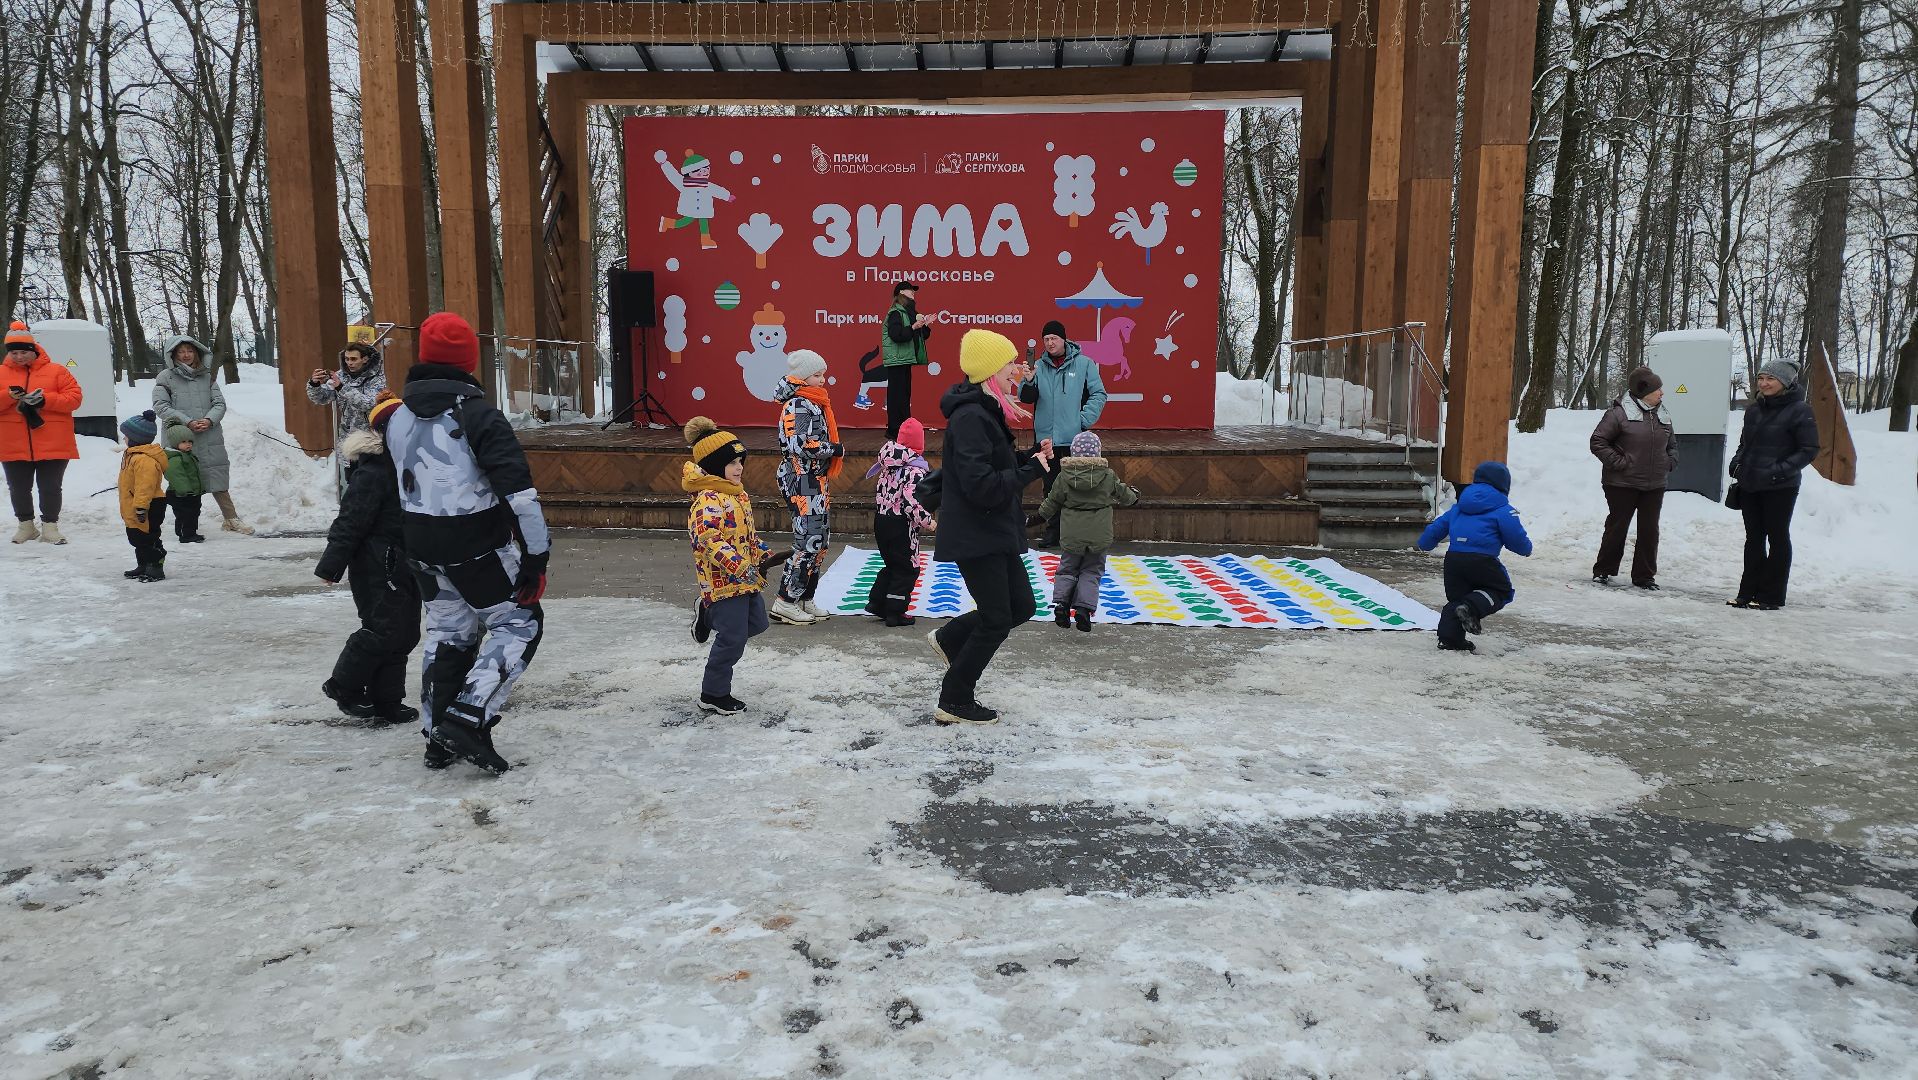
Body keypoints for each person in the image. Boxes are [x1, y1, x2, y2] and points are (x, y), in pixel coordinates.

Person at [385, 312, 549, 775]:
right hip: (475, 544)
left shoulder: (397, 415)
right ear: (469, 361)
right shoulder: (477, 415)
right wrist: (537, 556)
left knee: (447, 633)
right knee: (520, 624)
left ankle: (436, 734)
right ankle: (468, 716)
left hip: (419, 543)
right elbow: (519, 495)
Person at [926, 329, 1054, 725]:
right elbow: (980, 485)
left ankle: (949, 638)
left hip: (992, 530)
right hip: (975, 533)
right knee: (998, 617)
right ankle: (955, 699)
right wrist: (1031, 470)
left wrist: (1027, 456)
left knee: (1021, 606)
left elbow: (990, 463)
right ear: (989, 371)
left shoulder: (985, 410)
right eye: (1009, 363)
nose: (1016, 369)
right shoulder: (970, 417)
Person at [314, 395, 421, 726]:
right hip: (376, 561)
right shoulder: (374, 471)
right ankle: (343, 685)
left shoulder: (410, 465)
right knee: (383, 629)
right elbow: (350, 519)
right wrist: (332, 564)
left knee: (405, 633)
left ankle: (387, 698)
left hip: (405, 561)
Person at [683, 416, 783, 715]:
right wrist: (740, 566)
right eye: (732, 463)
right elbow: (709, 541)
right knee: (732, 640)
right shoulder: (708, 500)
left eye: (741, 461)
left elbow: (746, 537)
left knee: (758, 624)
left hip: (745, 577)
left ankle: (707, 615)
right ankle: (713, 694)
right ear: (715, 466)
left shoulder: (736, 495)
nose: (739, 468)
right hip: (722, 582)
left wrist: (765, 554)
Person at [1728, 358, 1820, 610]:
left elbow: (1809, 450)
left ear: (1785, 382)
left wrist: (1777, 471)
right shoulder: (1754, 410)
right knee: (1753, 539)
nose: (1764, 383)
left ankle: (1771, 596)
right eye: (1761, 378)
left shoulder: (1801, 411)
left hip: (1781, 486)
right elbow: (1744, 444)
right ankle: (1747, 593)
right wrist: (1737, 463)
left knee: (1778, 538)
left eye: (1770, 379)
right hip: (1750, 483)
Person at [1416, 461, 1533, 653]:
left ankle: (1450, 640)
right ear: (1504, 485)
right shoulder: (1503, 509)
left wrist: (1425, 544)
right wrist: (1526, 549)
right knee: (1500, 591)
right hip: (1483, 560)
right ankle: (1470, 608)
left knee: (1456, 600)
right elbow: (1516, 537)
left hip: (1453, 561)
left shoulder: (1459, 507)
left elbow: (1437, 527)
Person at [1036, 430, 1138, 632]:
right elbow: (1124, 494)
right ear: (1098, 453)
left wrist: (1037, 517)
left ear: (1074, 453)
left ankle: (1062, 605)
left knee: (1067, 569)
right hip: (1098, 536)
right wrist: (1135, 497)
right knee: (1091, 571)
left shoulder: (1064, 476)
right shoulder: (1107, 476)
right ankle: (1083, 609)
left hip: (1072, 535)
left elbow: (1052, 502)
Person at [1018, 319, 1108, 548]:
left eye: (1053, 338)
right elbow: (1026, 398)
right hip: (1047, 440)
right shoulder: (1037, 366)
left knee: (1076, 487)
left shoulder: (1085, 364)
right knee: (1050, 488)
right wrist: (1028, 381)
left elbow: (1098, 394)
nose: (1049, 343)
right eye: (1046, 339)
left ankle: (1074, 533)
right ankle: (1053, 532)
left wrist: (1082, 421)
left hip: (1074, 440)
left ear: (1063, 339)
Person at [770, 349, 844, 626]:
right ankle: (785, 600)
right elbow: (799, 444)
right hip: (801, 479)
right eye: (817, 375)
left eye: (823, 374)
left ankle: (803, 596)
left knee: (820, 541)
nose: (823, 379)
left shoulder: (814, 402)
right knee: (809, 541)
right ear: (801, 378)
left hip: (815, 480)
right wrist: (834, 449)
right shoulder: (799, 405)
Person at [1588, 366, 1677, 589]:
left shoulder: (1662, 413)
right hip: (1621, 483)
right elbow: (1598, 441)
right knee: (1617, 527)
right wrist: (1620, 462)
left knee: (1649, 530)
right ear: (1643, 391)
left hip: (1654, 484)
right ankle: (1604, 570)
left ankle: (1644, 576)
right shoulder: (1618, 414)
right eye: (1658, 389)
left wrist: (1670, 461)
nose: (1662, 393)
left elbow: (1672, 445)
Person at [154, 336, 250, 534]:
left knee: (217, 477)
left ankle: (230, 519)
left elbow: (219, 403)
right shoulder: (165, 377)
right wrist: (187, 421)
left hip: (209, 436)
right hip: (179, 437)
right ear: (173, 354)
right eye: (181, 351)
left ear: (197, 352)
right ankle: (185, 526)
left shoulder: (207, 376)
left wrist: (209, 420)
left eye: (190, 350)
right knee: (183, 482)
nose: (186, 355)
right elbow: (161, 406)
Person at [2, 321, 82, 545]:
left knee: (50, 487)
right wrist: (8, 396)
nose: (19, 357)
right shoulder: (1, 373)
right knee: (18, 487)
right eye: (14, 352)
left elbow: (75, 398)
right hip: (12, 441)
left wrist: (46, 399)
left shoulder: (57, 371)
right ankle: (26, 526)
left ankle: (50, 527)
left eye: (23, 352)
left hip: (53, 440)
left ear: (33, 350)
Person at [864, 416, 935, 627]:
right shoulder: (914, 470)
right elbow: (911, 502)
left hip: (882, 520)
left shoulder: (887, 464)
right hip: (900, 525)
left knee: (892, 564)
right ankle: (895, 611)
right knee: (907, 569)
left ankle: (877, 602)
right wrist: (928, 521)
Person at [117, 410, 168, 582]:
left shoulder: (144, 460)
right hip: (136, 504)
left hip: (148, 505)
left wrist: (141, 507)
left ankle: (155, 567)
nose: (124, 439)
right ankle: (143, 565)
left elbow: (144, 487)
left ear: (135, 438)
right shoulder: (133, 455)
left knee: (148, 538)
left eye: (126, 436)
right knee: (138, 537)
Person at [880, 280, 934, 437]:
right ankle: (894, 431)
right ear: (902, 293)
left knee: (904, 395)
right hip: (897, 360)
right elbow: (897, 335)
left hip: (905, 360)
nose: (913, 293)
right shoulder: (896, 313)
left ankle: (904, 429)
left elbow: (923, 335)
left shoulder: (909, 312)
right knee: (897, 396)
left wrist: (924, 325)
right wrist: (914, 327)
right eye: (910, 290)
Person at [307, 342, 387, 443]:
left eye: (353, 359)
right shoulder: (340, 376)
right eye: (347, 359)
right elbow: (322, 398)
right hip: (346, 437)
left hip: (369, 437)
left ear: (365, 359)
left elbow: (369, 403)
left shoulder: (377, 378)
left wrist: (341, 388)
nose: (349, 363)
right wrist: (314, 384)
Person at [162, 424, 207, 544]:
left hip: (192, 493)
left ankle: (191, 533)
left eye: (190, 441)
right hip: (181, 494)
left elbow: (194, 474)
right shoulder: (175, 459)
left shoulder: (188, 456)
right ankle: (184, 534)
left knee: (193, 513)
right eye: (183, 441)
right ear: (175, 443)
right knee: (185, 515)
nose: (188, 444)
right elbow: (176, 476)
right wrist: (185, 490)